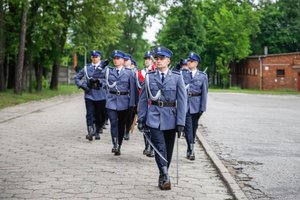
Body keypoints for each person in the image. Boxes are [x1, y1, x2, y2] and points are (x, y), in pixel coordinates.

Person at [138, 46, 187, 190]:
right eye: (157, 58)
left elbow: (182, 101)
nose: (158, 61)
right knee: (159, 147)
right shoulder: (149, 77)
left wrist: (181, 123)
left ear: (168, 61)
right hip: (153, 117)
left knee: (169, 149)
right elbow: (142, 99)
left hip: (171, 118)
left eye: (161, 58)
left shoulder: (177, 77)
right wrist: (141, 118)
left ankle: (162, 174)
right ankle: (165, 174)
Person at [105, 50, 136, 156]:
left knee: (121, 124)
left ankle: (119, 144)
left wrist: (132, 105)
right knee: (113, 122)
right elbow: (95, 76)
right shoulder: (109, 71)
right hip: (111, 100)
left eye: (118, 58)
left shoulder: (129, 73)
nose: (115, 60)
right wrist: (102, 66)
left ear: (123, 60)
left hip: (124, 101)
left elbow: (132, 90)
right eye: (114, 58)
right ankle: (115, 144)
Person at [74, 50, 107, 141]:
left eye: (96, 57)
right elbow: (77, 77)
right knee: (90, 114)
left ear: (100, 57)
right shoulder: (86, 68)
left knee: (100, 115)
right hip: (89, 94)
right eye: (93, 57)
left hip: (101, 95)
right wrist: (82, 86)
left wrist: (100, 82)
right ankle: (90, 131)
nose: (94, 58)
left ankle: (97, 131)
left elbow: (108, 80)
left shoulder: (105, 68)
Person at [182, 52, 208, 160]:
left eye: (191, 61)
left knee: (193, 127)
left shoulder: (202, 76)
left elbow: (204, 93)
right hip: (185, 104)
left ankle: (190, 146)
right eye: (188, 60)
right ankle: (191, 149)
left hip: (196, 105)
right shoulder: (182, 74)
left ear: (196, 63)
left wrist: (202, 108)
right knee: (188, 128)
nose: (189, 62)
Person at [136, 50, 156, 157]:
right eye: (146, 59)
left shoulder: (155, 71)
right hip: (144, 102)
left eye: (149, 59)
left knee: (152, 125)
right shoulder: (140, 73)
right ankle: (147, 145)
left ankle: (151, 147)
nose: (147, 61)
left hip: (153, 102)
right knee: (144, 124)